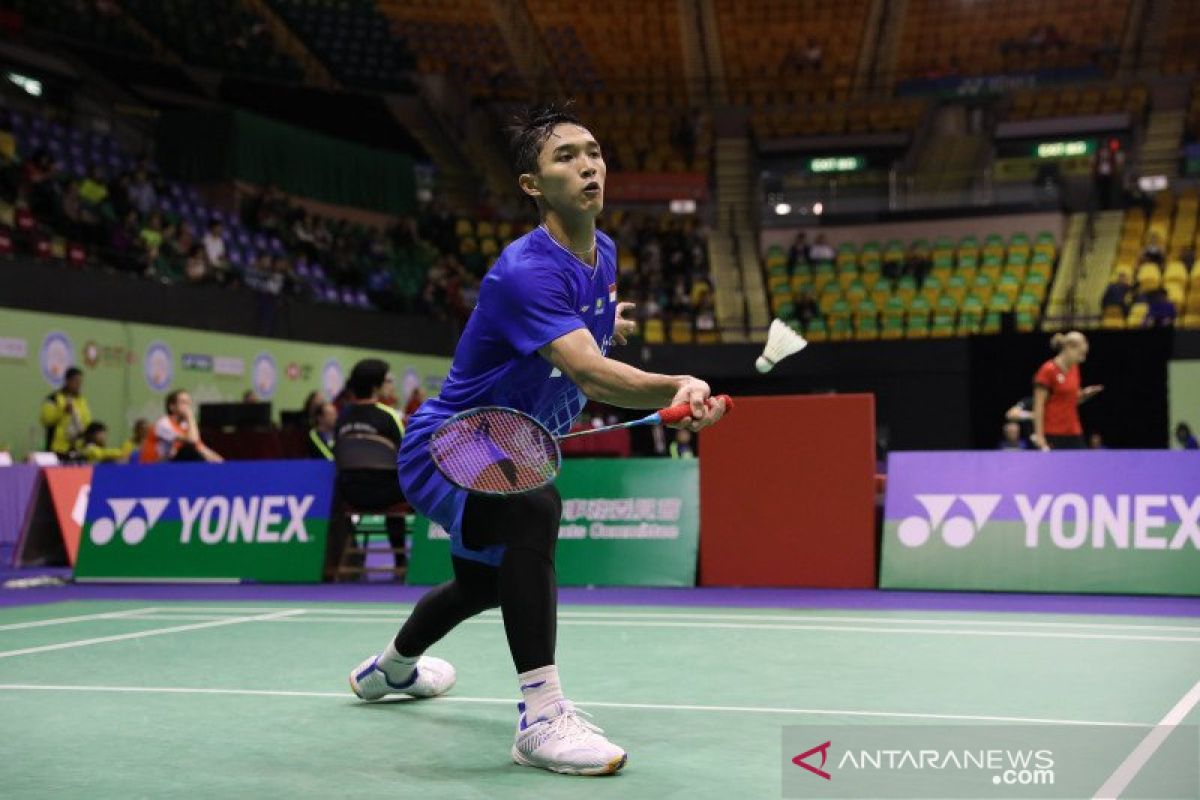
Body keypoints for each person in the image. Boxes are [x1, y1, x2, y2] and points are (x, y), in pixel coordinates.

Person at [346, 103, 727, 777]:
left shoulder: (601, 252)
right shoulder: (523, 268)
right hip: (452, 439)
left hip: (510, 443)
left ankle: (390, 672)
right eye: (566, 157)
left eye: (594, 151)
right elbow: (586, 370)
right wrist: (674, 384)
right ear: (532, 185)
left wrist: (614, 325)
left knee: (482, 584)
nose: (588, 165)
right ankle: (542, 717)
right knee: (533, 511)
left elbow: (587, 332)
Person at [333, 360, 406, 556]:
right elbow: (403, 456)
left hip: (350, 494)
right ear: (376, 386)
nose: (391, 385)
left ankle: (354, 556)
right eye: (388, 381)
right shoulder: (389, 416)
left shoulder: (342, 418)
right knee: (406, 479)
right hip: (388, 495)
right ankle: (400, 558)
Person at [1030, 331, 1103, 451]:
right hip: (1052, 433)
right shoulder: (1047, 370)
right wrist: (1039, 436)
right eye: (1081, 354)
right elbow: (1038, 406)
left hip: (1074, 431)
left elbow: (1071, 401)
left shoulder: (1074, 368)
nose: (1083, 359)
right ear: (1069, 348)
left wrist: (1084, 395)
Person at [140, 390, 223, 464]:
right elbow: (193, 440)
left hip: (167, 466)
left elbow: (201, 448)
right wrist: (190, 417)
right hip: (151, 468)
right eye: (183, 403)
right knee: (187, 451)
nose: (188, 407)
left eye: (189, 403)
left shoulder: (184, 426)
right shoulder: (163, 424)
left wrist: (220, 463)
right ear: (172, 407)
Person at [40, 366, 91, 460]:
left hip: (77, 449)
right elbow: (46, 420)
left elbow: (87, 421)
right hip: (57, 449)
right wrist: (63, 411)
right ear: (67, 381)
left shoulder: (82, 401)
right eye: (76, 382)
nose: (79, 385)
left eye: (80, 382)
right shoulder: (53, 399)